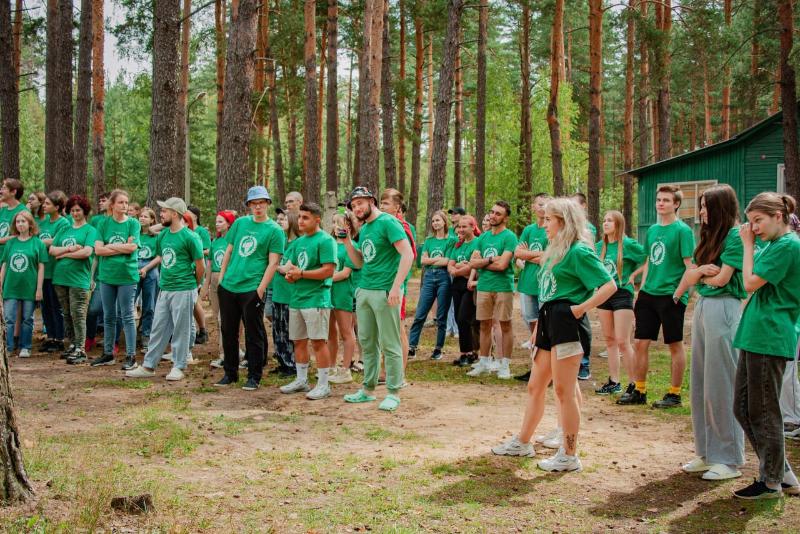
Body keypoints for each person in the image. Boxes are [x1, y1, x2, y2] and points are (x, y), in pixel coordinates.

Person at [492, 198, 615, 472]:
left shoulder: (579, 251)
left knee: (563, 390)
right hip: (548, 320)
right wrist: (539, 330)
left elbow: (609, 285)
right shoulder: (554, 250)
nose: (544, 224)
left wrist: (580, 309)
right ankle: (523, 442)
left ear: (564, 221)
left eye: (548, 219)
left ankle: (569, 455)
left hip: (567, 323)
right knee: (535, 386)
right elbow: (547, 293)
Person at [668, 185, 745, 481]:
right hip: (703, 308)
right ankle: (706, 452)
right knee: (701, 382)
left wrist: (697, 276)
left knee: (721, 383)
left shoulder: (735, 236)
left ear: (720, 208)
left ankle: (729, 458)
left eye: (705, 206)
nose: (701, 212)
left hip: (724, 308)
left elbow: (722, 279)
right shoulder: (710, 237)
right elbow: (693, 276)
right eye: (700, 206)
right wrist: (700, 274)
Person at [730, 192, 800, 499]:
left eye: (758, 220)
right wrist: (753, 246)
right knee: (743, 407)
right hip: (755, 334)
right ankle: (782, 473)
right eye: (751, 222)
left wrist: (748, 246)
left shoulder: (788, 246)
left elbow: (749, 282)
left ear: (778, 216)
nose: (754, 228)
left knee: (763, 410)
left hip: (770, 335)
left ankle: (771, 482)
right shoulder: (773, 245)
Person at [618, 185, 694, 408]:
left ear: (676, 204)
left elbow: (690, 266)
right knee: (640, 343)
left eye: (666, 200)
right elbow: (649, 261)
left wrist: (678, 294)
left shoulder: (683, 231)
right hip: (648, 295)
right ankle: (639, 391)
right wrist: (642, 290)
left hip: (671, 296)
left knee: (674, 345)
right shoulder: (652, 230)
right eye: (659, 200)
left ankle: (674, 394)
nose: (661, 203)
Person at [342, 187, 413, 411]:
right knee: (367, 342)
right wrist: (346, 241)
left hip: (385, 291)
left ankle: (393, 392)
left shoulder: (388, 222)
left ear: (371, 201)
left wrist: (396, 287)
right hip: (365, 289)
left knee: (390, 343)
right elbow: (360, 262)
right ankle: (368, 389)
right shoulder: (365, 228)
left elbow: (408, 254)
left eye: (360, 203)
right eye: (354, 206)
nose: (357, 208)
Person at [126, 198, 205, 381]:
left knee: (181, 329)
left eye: (164, 211)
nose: (160, 214)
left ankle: (179, 366)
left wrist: (193, 285)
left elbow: (200, 265)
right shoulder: (163, 236)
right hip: (165, 288)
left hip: (184, 289)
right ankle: (148, 366)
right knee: (158, 328)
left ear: (175, 214)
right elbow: (162, 256)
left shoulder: (190, 237)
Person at [215, 186, 284, 391]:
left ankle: (254, 376)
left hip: (252, 287)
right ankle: (230, 373)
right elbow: (229, 251)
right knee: (228, 331)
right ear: (249, 205)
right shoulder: (240, 223)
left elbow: (273, 263)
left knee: (253, 333)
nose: (258, 207)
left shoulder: (274, 230)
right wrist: (221, 279)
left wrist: (260, 289)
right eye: (254, 203)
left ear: (267, 204)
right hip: (229, 285)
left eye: (261, 202)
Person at [279, 203, 336, 399]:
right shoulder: (298, 242)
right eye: (300, 217)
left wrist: (301, 274)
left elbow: (328, 270)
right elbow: (292, 267)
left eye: (305, 217)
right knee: (298, 341)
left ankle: (323, 384)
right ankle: (301, 380)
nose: (300, 221)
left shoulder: (325, 240)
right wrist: (290, 276)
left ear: (317, 220)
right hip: (297, 299)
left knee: (318, 342)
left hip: (316, 299)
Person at [594, 211, 646, 395]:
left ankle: (634, 384)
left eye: (610, 220)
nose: (606, 223)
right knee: (610, 340)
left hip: (622, 293)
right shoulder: (599, 246)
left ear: (619, 224)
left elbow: (648, 260)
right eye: (604, 220)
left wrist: (634, 275)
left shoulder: (629, 245)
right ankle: (614, 382)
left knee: (623, 341)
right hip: (603, 293)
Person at [467, 201, 518, 379]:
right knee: (484, 325)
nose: (493, 216)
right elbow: (472, 263)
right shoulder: (483, 238)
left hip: (503, 286)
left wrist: (482, 263)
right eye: (492, 212)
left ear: (506, 218)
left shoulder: (510, 237)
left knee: (505, 324)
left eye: (498, 213)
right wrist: (490, 260)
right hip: (484, 286)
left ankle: (505, 365)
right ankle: (484, 362)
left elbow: (503, 265)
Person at [92, 189, 141, 369]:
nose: (124, 206)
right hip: (106, 276)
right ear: (112, 205)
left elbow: (132, 248)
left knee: (127, 315)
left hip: (127, 276)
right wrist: (122, 246)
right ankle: (108, 354)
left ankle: (131, 356)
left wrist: (110, 246)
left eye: (126, 203)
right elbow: (98, 250)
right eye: (121, 202)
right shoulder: (103, 223)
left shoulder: (133, 224)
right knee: (109, 315)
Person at [52, 196, 98, 364]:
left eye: (78, 210)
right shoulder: (64, 229)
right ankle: (72, 344)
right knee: (66, 313)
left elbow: (86, 252)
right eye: (72, 210)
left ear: (84, 211)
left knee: (78, 313)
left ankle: (80, 349)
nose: (75, 213)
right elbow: (52, 250)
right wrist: (70, 249)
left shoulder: (90, 230)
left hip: (79, 279)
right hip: (60, 278)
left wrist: (63, 254)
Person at [408, 210, 455, 361]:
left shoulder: (451, 240)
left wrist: (432, 260)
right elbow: (423, 261)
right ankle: (412, 347)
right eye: (433, 221)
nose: (435, 223)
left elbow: (447, 261)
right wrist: (438, 259)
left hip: (444, 278)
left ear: (444, 222)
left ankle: (438, 349)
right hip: (429, 277)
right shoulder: (429, 240)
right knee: (420, 314)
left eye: (438, 220)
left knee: (441, 316)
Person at [378, 189, 416, 372]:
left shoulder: (402, 227)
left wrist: (398, 284)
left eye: (386, 203)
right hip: (380, 284)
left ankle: (399, 372)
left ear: (397, 207)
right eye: (381, 203)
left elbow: (409, 255)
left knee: (398, 327)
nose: (382, 207)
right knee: (385, 329)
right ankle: (387, 370)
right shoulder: (380, 224)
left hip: (396, 285)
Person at [1, 210, 47, 358]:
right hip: (11, 287)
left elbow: (41, 267)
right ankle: (8, 348)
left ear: (30, 224)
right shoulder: (10, 243)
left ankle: (25, 347)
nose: (20, 224)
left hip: (29, 287)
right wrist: (0, 284)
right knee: (9, 319)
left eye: (23, 221)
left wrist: (39, 289)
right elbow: (5, 265)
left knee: (28, 319)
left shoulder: (38, 243)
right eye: (18, 222)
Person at [515, 193, 550, 356]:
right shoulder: (529, 230)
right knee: (530, 318)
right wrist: (537, 255)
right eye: (540, 204)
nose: (543, 208)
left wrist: (527, 254)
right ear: (533, 207)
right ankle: (536, 346)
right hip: (527, 282)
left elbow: (549, 258)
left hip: (545, 282)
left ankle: (543, 349)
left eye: (546, 205)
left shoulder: (552, 229)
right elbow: (517, 253)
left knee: (545, 319)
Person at [266, 209, 299, 376]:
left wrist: (273, 265)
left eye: (284, 219)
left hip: (289, 295)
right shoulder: (282, 242)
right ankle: (282, 361)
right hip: (278, 293)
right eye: (279, 219)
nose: (279, 222)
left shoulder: (297, 244)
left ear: (292, 221)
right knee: (277, 331)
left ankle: (291, 365)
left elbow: (287, 268)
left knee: (287, 331)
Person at [38, 191, 70, 353]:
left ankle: (59, 338)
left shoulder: (63, 222)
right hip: (42, 270)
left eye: (47, 204)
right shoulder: (43, 222)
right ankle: (50, 336)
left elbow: (58, 241)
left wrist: (40, 242)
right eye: (44, 203)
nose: (44, 206)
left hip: (56, 270)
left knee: (56, 305)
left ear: (57, 207)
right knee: (45, 306)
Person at [328, 213, 358, 384]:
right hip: (327, 293)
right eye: (334, 222)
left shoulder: (351, 246)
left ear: (348, 226)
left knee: (346, 331)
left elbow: (346, 273)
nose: (336, 226)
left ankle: (345, 370)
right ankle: (331, 366)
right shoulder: (329, 244)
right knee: (330, 332)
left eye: (340, 223)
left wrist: (324, 278)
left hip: (343, 292)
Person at [204, 210, 237, 367]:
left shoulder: (233, 241)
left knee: (224, 319)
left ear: (229, 224)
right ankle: (225, 351)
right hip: (215, 281)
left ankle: (226, 354)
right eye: (216, 221)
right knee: (218, 319)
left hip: (228, 281)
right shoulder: (215, 242)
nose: (217, 224)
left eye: (220, 221)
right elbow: (210, 265)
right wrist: (206, 286)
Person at [448, 215, 481, 367]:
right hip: (457, 284)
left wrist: (457, 269)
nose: (460, 229)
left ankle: (469, 353)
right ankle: (465, 353)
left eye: (464, 227)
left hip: (470, 285)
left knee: (464, 318)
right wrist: (458, 269)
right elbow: (450, 264)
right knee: (457, 317)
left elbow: (472, 266)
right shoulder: (458, 245)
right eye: (459, 227)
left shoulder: (477, 243)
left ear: (473, 227)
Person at [136, 208, 160, 351]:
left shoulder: (156, 237)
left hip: (150, 270)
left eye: (146, 216)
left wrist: (145, 269)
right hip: (133, 270)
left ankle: (146, 335)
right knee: (129, 305)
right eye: (140, 216)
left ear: (152, 220)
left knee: (149, 306)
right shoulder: (134, 234)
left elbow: (159, 257)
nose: (142, 218)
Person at [187, 205, 211, 344]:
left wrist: (195, 253)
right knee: (191, 302)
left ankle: (203, 330)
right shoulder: (185, 230)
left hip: (198, 269)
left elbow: (208, 250)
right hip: (186, 270)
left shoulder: (201, 231)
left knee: (195, 302)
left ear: (195, 216)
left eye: (188, 213)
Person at [0, 179, 28, 254]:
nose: (0, 191)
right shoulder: (2, 210)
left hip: (11, 255)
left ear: (13, 192)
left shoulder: (23, 211)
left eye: (4, 188)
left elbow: (21, 235)